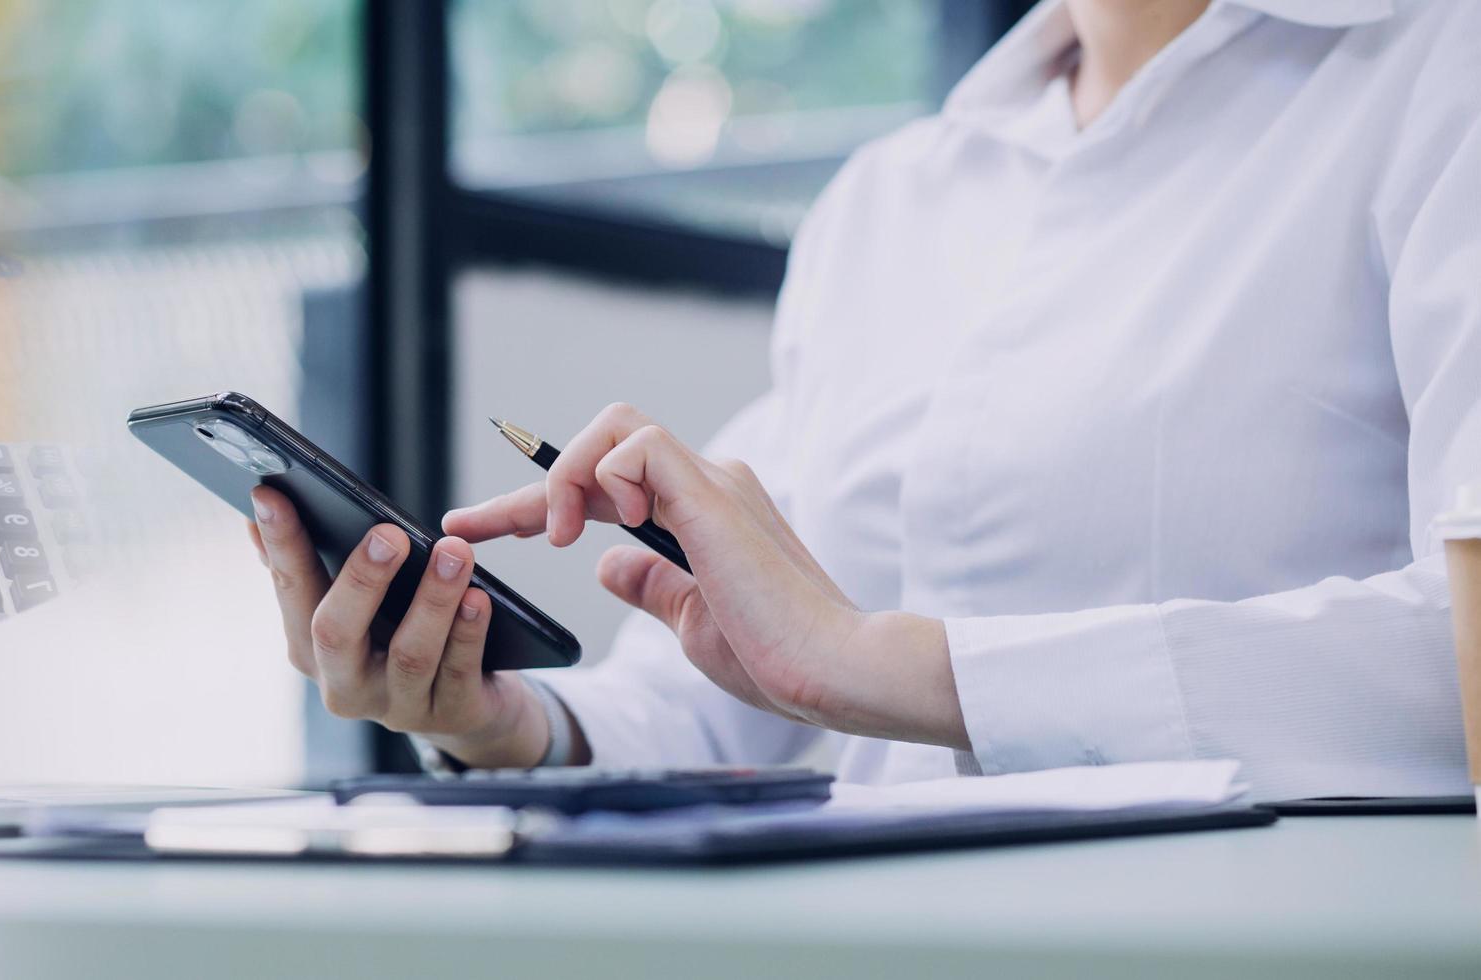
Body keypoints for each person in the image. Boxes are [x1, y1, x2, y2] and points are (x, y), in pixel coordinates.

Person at [252, 0, 1477, 800]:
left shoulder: (1439, 69)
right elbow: (731, 687)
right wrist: (498, 712)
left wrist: (881, 662)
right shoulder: (892, 199)